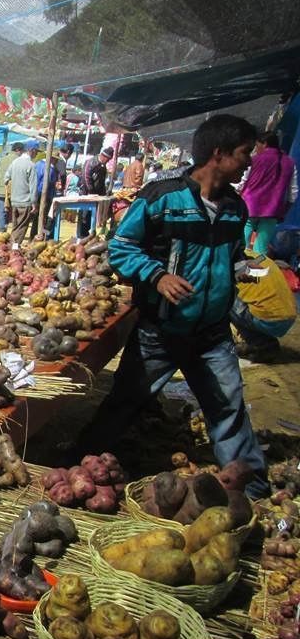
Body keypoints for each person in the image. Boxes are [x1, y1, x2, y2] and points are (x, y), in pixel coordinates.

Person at [79, 114, 268, 498]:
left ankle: (254, 488)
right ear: (219, 153)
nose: (249, 162)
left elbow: (230, 253)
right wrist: (156, 275)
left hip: (213, 334)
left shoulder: (235, 208)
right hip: (160, 332)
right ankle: (76, 465)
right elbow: (120, 246)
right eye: (245, 153)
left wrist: (240, 267)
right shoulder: (162, 198)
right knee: (126, 401)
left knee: (228, 409)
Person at [230, 251, 296, 362]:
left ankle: (259, 342)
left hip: (267, 319)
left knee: (222, 299)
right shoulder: (257, 255)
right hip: (289, 316)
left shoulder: (228, 260)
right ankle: (264, 342)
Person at [241, 131, 298, 255]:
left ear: (265, 144)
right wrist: (285, 208)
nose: (256, 149)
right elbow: (293, 192)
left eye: (257, 145)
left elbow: (242, 181)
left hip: (249, 206)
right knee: (261, 249)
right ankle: (258, 273)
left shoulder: (253, 160)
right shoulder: (290, 163)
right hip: (273, 210)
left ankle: (241, 270)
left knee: (242, 246)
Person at [8, 140, 39, 244]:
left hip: (14, 201)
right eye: (37, 151)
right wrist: (34, 203)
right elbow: (33, 186)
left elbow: (6, 178)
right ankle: (14, 249)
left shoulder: (14, 162)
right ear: (32, 150)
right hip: (25, 202)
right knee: (21, 228)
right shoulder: (31, 165)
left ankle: (12, 248)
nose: (37, 154)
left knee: (16, 226)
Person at [0, 143, 23, 234]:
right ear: (18, 150)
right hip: (13, 190)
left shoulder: (1, 160)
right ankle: (14, 231)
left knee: (2, 210)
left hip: (1, 189)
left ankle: (1, 230)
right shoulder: (18, 160)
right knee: (15, 211)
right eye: (22, 151)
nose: (22, 154)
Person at [36, 154, 59, 238]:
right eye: (56, 160)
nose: (56, 162)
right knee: (47, 218)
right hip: (46, 195)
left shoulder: (37, 164)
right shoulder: (50, 169)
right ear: (52, 159)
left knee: (37, 218)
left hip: (37, 194)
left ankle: (34, 235)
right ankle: (45, 236)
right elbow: (46, 182)